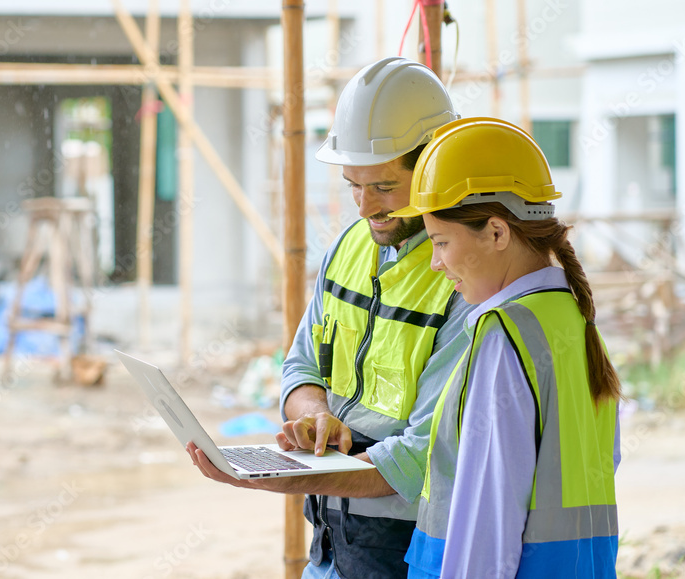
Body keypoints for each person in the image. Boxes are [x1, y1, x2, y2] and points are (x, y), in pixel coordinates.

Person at [185, 57, 475, 578]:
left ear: (435, 169)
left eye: (384, 188)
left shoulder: (464, 278)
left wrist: (283, 478)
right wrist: (314, 414)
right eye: (353, 186)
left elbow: (420, 458)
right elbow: (300, 366)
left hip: (408, 547)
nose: (365, 207)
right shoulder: (348, 248)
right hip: (329, 538)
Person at [389, 117, 622, 578]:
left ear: (497, 232)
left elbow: (486, 520)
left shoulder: (504, 338)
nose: (436, 263)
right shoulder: (571, 321)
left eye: (441, 242)